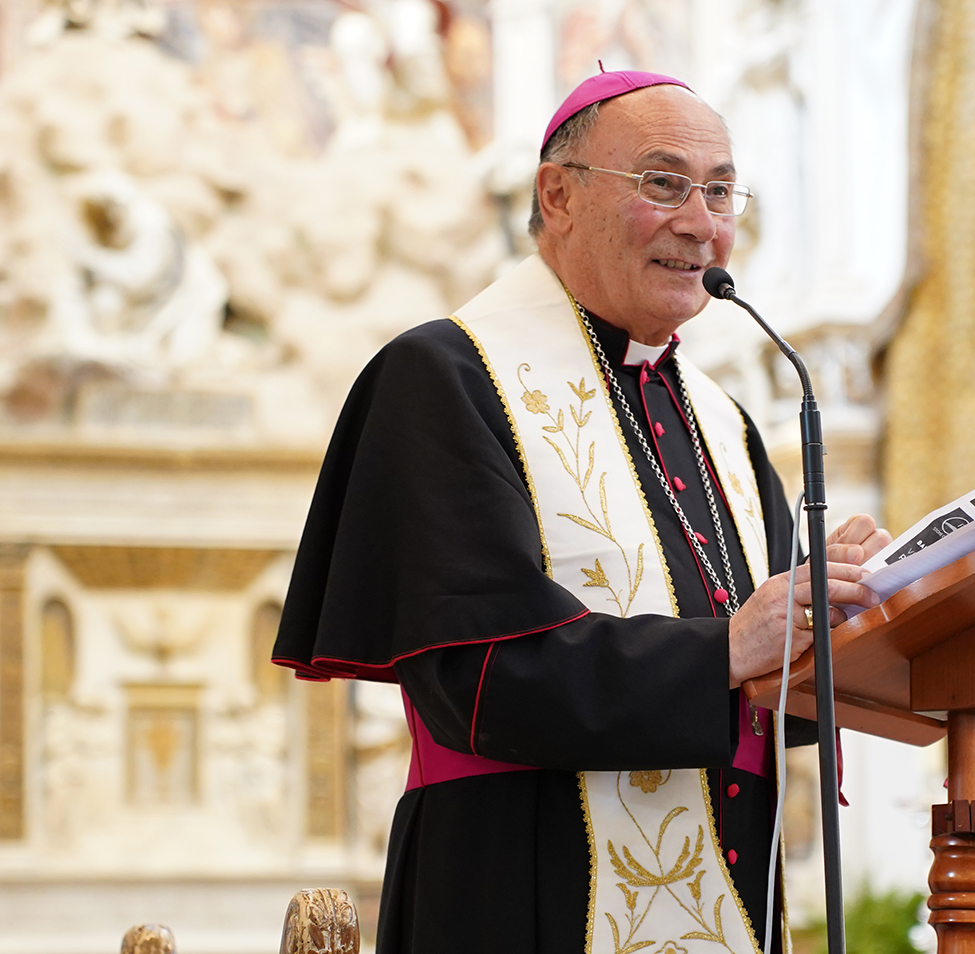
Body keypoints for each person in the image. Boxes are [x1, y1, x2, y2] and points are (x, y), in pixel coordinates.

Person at [272, 69, 891, 954]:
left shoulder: (722, 420)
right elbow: (476, 678)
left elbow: (769, 696)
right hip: (520, 893)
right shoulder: (445, 378)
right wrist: (729, 646)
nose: (702, 223)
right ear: (557, 195)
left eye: (721, 191)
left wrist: (849, 610)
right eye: (664, 183)